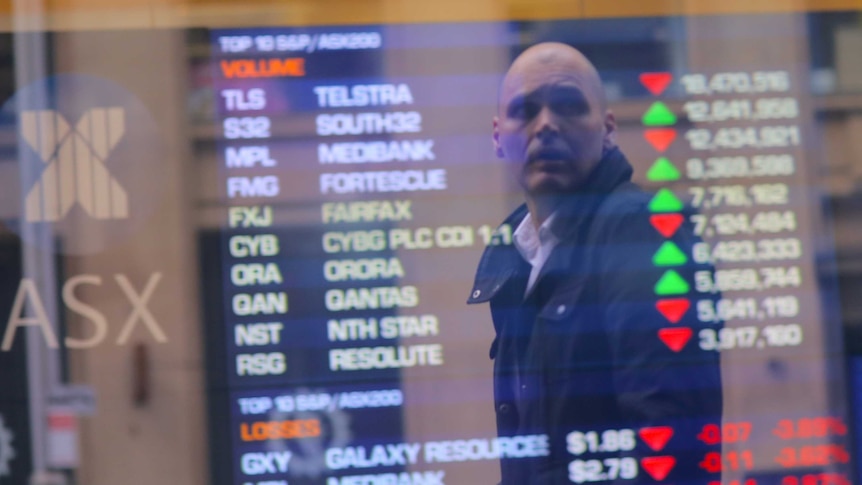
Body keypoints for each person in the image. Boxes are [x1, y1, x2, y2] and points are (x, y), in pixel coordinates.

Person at [467, 42, 722, 484]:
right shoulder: (516, 254)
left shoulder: (639, 228)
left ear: (607, 130)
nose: (546, 125)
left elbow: (669, 444)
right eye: (525, 110)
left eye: (568, 106)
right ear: (496, 137)